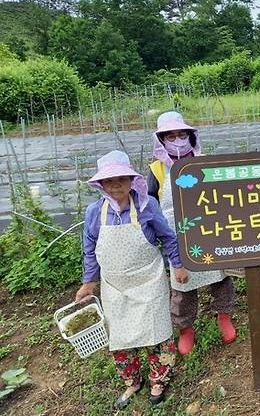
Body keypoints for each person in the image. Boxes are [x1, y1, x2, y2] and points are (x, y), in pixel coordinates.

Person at [74, 150, 188, 408]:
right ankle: (132, 382)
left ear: (131, 181)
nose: (116, 186)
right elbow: (89, 249)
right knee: (121, 339)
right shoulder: (94, 212)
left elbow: (168, 237)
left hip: (149, 280)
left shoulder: (147, 205)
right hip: (116, 287)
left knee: (158, 334)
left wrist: (177, 265)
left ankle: (159, 380)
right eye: (109, 181)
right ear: (101, 185)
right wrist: (89, 282)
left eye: (121, 180)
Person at [147, 111, 236, 355]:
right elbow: (151, 205)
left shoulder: (203, 161)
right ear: (162, 140)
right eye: (171, 136)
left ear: (190, 136)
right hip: (177, 236)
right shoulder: (156, 170)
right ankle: (186, 329)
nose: (178, 140)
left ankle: (224, 316)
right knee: (182, 285)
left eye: (182, 134)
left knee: (219, 277)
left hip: (209, 231)